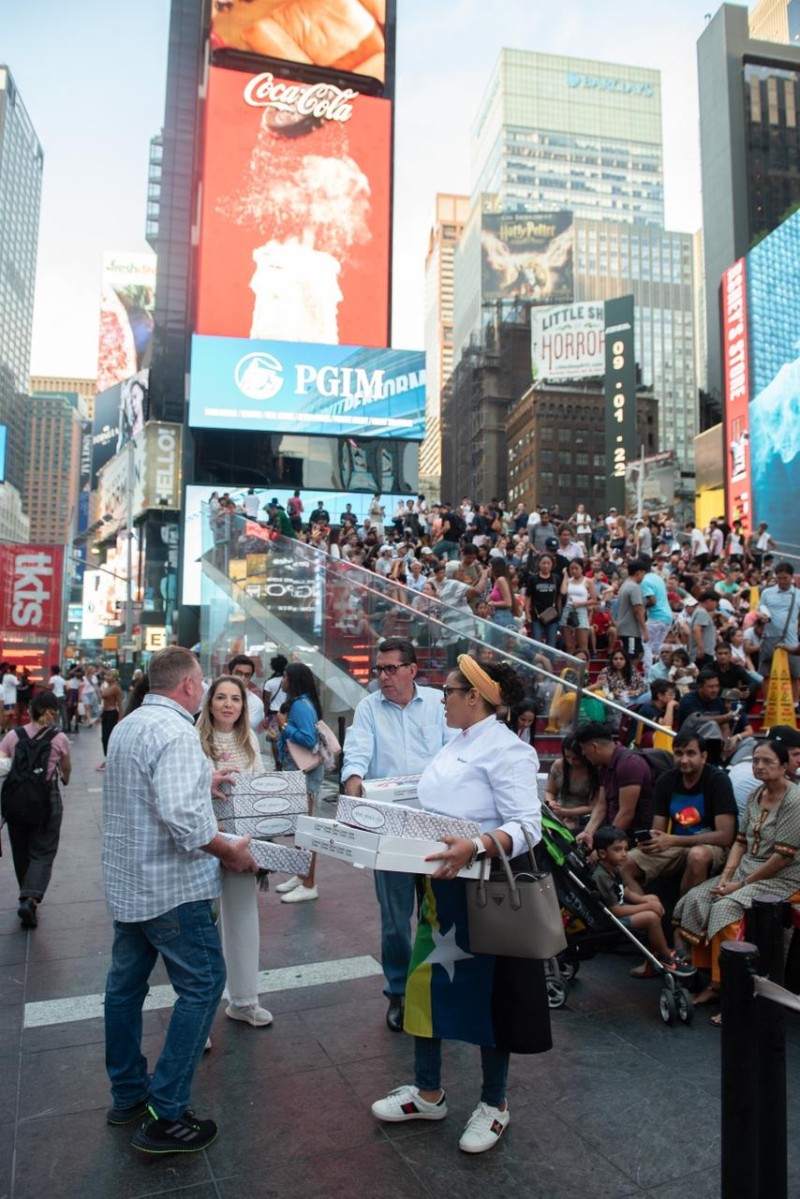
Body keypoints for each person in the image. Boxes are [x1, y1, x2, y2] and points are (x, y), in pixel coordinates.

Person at [371, 656, 550, 1155]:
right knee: (428, 986)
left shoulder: (509, 751)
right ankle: (428, 1091)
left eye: (448, 690)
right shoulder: (455, 742)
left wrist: (477, 845)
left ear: (475, 696)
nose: (441, 697)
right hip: (440, 890)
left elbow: (527, 824)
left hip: (485, 894)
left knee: (492, 1000)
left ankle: (494, 1103)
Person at [102, 646, 258, 1154]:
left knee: (124, 991)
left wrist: (201, 781)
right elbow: (184, 821)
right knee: (205, 985)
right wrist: (228, 852)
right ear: (191, 686)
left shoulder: (130, 725)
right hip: (172, 889)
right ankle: (166, 1112)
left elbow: (151, 792)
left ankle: (128, 1095)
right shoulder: (177, 733)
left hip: (130, 886)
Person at [341, 637, 450, 1031]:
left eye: (390, 669)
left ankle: (438, 988)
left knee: (441, 915)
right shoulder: (370, 708)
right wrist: (353, 781)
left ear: (412, 670)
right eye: (378, 669)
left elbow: (455, 752)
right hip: (389, 829)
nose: (382, 677)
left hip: (438, 825)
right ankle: (400, 992)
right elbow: (357, 751)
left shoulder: (440, 703)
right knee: (394, 920)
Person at [673, 738, 800, 1018]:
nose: (759, 766)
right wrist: (726, 876)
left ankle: (735, 994)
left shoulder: (795, 799)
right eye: (756, 760)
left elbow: (783, 857)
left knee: (725, 908)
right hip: (746, 869)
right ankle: (710, 981)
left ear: (784, 766)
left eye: (767, 761)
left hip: (784, 877)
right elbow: (740, 842)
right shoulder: (757, 793)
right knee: (695, 899)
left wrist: (739, 885)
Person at [197, 675, 272, 1027]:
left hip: (241, 842)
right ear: (209, 702)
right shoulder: (194, 739)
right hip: (201, 842)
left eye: (236, 699)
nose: (228, 704)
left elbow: (259, 787)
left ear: (244, 706)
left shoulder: (250, 739)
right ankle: (197, 1018)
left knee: (243, 917)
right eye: (221, 697)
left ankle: (243, 1000)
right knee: (201, 925)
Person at [621, 728, 737, 902]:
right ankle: (649, 911)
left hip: (712, 847)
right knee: (624, 862)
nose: (684, 760)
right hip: (676, 845)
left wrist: (674, 840)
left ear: (703, 756)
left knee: (697, 856)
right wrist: (651, 841)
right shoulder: (666, 780)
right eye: (679, 753)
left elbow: (725, 836)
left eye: (691, 754)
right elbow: (658, 830)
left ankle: (683, 918)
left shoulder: (717, 780)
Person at [0, 691, 71, 929]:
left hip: (16, 799)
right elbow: (66, 768)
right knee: (43, 850)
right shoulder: (58, 738)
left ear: (31, 710)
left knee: (20, 850)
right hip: (46, 798)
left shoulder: (13, 735)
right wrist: (65, 779)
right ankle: (29, 899)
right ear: (52, 711)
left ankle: (25, 892)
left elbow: (2, 763)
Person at [592, 828, 691, 974]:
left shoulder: (614, 868)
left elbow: (625, 891)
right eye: (618, 850)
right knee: (650, 917)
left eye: (626, 849)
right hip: (611, 918)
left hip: (621, 908)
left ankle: (654, 950)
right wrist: (646, 907)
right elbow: (615, 910)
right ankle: (665, 955)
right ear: (602, 853)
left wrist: (645, 900)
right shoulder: (601, 876)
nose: (624, 854)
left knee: (653, 898)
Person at [274, 662, 326, 902]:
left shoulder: (300, 706)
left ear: (293, 680)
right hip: (298, 774)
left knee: (306, 831)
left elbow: (307, 739)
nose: (281, 679)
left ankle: (310, 882)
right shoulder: (302, 703)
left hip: (304, 775)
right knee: (300, 829)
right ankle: (300, 875)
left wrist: (285, 726)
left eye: (285, 676)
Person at [573, 722, 655, 845]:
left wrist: (605, 845)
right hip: (611, 829)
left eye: (584, 749)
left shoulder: (629, 764)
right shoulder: (604, 766)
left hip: (630, 837)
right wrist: (588, 832)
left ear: (594, 747)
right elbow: (601, 806)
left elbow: (626, 813)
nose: (583, 753)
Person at [759, 562, 800, 705]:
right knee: (767, 673)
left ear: (791, 577)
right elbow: (760, 608)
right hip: (770, 637)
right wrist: (763, 616)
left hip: (791, 639)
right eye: (779, 578)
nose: (782, 581)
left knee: (795, 674)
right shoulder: (767, 593)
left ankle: (795, 703)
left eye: (785, 578)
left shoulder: (798, 595)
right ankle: (767, 702)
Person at [545, 733, 599, 829]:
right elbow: (550, 791)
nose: (571, 762)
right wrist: (550, 802)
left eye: (575, 758)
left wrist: (566, 812)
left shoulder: (593, 771)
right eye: (567, 757)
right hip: (558, 811)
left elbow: (593, 806)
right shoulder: (558, 765)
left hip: (582, 815)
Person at [615, 560, 649, 661]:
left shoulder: (625, 584)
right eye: (643, 574)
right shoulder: (634, 587)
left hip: (627, 627)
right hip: (630, 629)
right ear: (639, 572)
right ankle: (626, 676)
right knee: (630, 658)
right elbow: (638, 610)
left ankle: (631, 675)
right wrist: (645, 630)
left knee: (640, 653)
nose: (643, 577)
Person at [525, 553, 561, 648]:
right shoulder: (533, 578)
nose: (546, 565)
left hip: (552, 615)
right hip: (537, 615)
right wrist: (527, 613)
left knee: (551, 643)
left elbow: (559, 596)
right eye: (543, 563)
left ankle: (549, 662)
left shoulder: (556, 578)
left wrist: (559, 611)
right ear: (539, 564)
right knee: (536, 642)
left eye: (548, 563)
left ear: (552, 565)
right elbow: (528, 596)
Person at [559, 559, 595, 655]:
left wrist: (580, 604)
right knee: (569, 645)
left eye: (576, 568)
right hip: (568, 611)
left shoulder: (588, 581)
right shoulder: (569, 581)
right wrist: (565, 575)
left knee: (583, 645)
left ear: (581, 568)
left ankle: (585, 668)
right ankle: (571, 668)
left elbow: (594, 600)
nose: (574, 571)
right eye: (572, 569)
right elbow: (563, 592)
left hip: (581, 611)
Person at [227, 654, 265, 735]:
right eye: (238, 673)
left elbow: (243, 729)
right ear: (230, 673)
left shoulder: (256, 703)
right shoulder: (216, 696)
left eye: (247, 675)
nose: (242, 678)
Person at [262, 654, 288, 768]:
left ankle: (278, 763)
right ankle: (286, 761)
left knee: (274, 740)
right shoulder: (288, 681)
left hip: (273, 714)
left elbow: (266, 701)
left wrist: (265, 715)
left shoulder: (269, 682)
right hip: (287, 713)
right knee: (287, 738)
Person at [97, 670, 123, 771]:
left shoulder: (115, 688)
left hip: (112, 714)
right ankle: (107, 759)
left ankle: (109, 760)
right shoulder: (107, 687)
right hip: (106, 713)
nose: (106, 677)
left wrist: (120, 718)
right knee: (104, 737)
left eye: (109, 675)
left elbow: (120, 703)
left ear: (114, 677)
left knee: (108, 737)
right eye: (106, 675)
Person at [688, 591, 719, 667]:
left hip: (704, 652)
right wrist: (701, 648)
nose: (716, 605)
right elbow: (697, 629)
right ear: (709, 601)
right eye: (715, 602)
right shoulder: (702, 612)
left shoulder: (699, 611)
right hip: (704, 652)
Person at [47, 664, 67, 730]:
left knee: (51, 711)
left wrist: (40, 685)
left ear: (52, 671)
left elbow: (50, 688)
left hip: (55, 696)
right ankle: (65, 726)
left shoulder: (52, 678)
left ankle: (53, 725)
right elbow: (65, 689)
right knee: (62, 711)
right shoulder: (62, 679)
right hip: (61, 696)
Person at [1, 663, 18, 731]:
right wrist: (18, 677)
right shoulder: (12, 677)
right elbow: (18, 684)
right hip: (10, 700)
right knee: (8, 715)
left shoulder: (5, 676)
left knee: (10, 714)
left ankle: (8, 727)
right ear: (13, 670)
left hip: (6, 698)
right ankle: (3, 728)